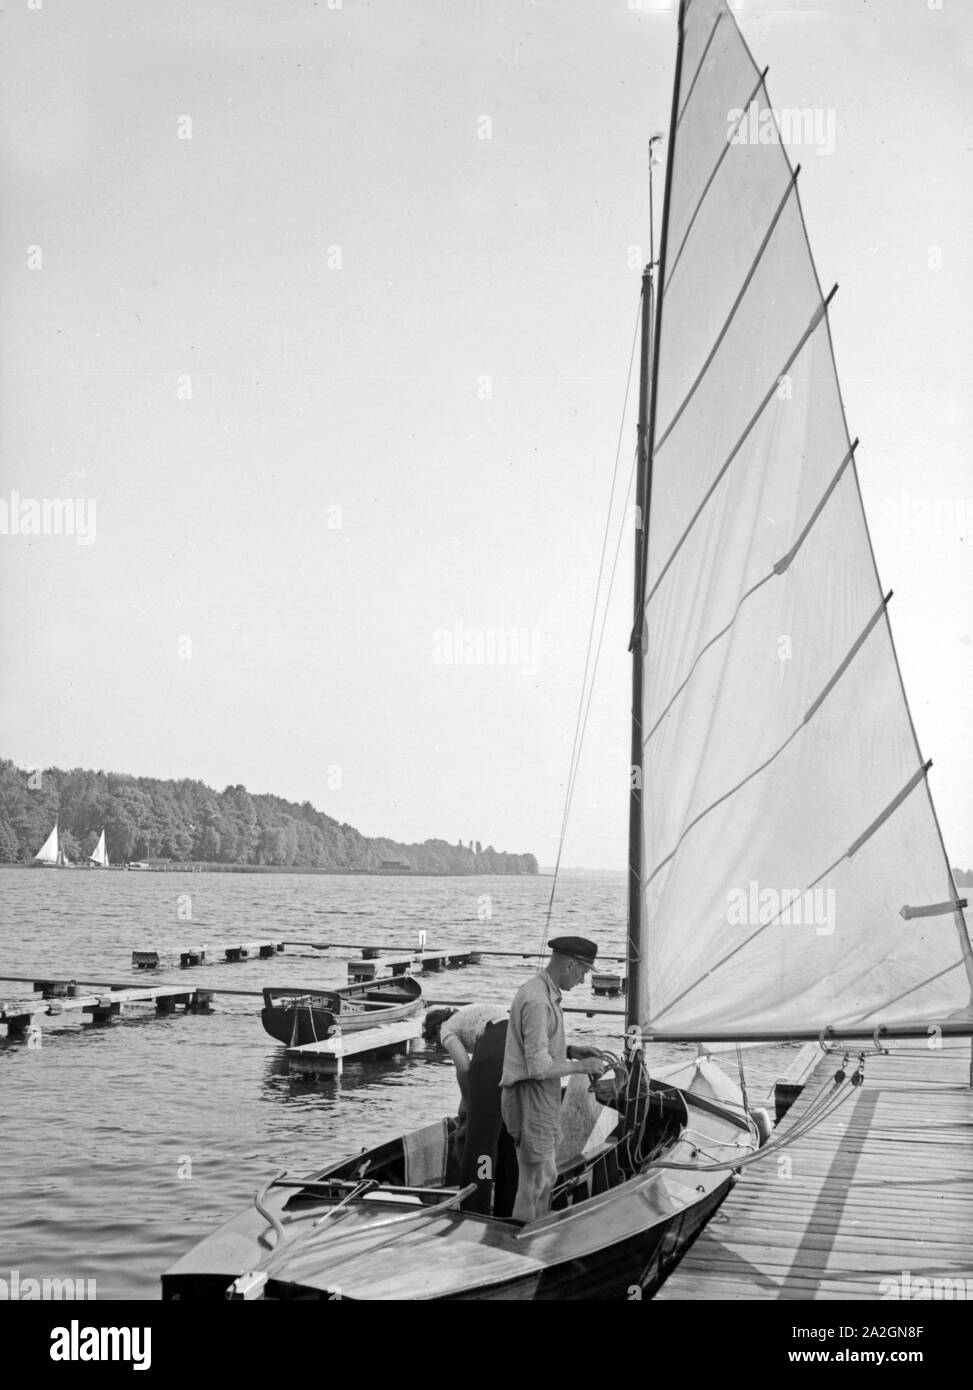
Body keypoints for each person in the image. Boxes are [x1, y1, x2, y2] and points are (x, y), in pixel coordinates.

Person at [500, 936, 606, 1224]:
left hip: (540, 1099)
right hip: (530, 1098)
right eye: (583, 972)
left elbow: (537, 1048)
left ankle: (540, 1234)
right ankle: (522, 1247)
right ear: (570, 964)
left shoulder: (545, 993)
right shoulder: (538, 1001)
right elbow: (537, 1067)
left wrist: (571, 1050)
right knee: (532, 1184)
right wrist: (579, 1066)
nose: (583, 980)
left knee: (548, 1176)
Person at [422, 1003, 508, 1151]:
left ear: (437, 1029)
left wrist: (466, 1100)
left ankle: (481, 1171)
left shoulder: (446, 1028)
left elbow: (464, 1067)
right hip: (519, 1038)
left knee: (481, 1135)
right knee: (503, 1119)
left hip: (496, 1038)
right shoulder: (468, 1019)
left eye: (438, 1043)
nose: (441, 1047)